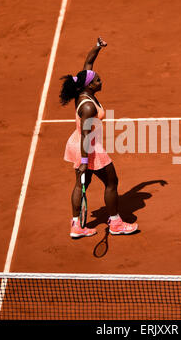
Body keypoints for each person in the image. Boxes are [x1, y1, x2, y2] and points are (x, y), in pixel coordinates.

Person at [59, 37, 138, 238]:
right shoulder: (87, 106)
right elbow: (87, 135)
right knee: (112, 182)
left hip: (81, 144)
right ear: (91, 86)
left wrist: (97, 48)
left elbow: (88, 64)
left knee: (80, 184)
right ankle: (115, 223)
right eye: (98, 80)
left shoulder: (83, 90)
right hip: (89, 148)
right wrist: (85, 161)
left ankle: (76, 225)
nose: (100, 81)